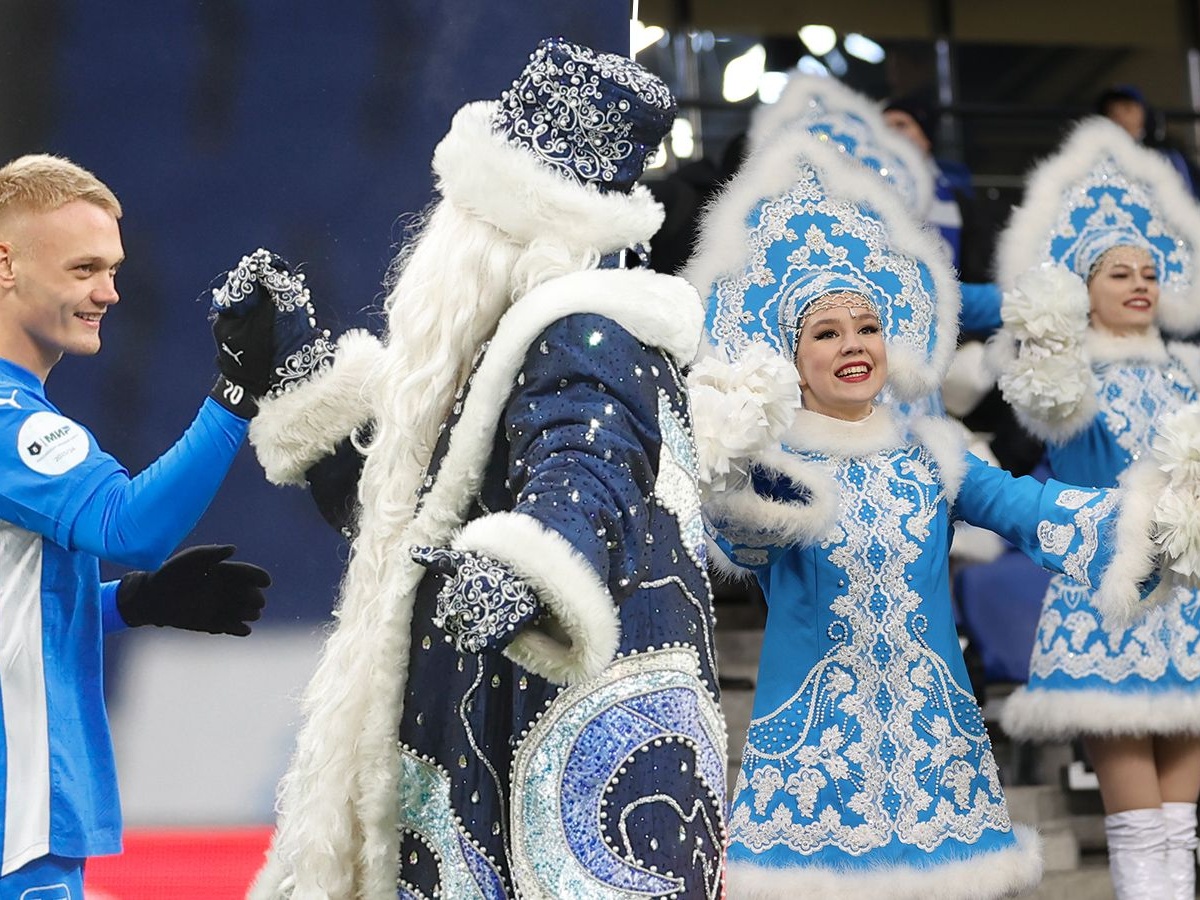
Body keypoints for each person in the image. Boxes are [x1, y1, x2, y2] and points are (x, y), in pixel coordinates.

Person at [243, 38, 726, 900]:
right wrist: (297, 380)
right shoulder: (508, 351)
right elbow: (407, 519)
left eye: (462, 212)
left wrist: (528, 560)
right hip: (494, 718)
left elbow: (588, 464)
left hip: (548, 737)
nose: (441, 232)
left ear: (510, 226)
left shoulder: (587, 331)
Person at [681, 125, 1200, 899]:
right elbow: (740, 532)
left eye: (868, 327)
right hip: (818, 745)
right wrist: (729, 459)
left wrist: (1154, 515)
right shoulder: (779, 469)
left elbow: (1032, 506)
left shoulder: (933, 451)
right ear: (790, 355)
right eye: (827, 332)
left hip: (933, 739)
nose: (854, 345)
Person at [0, 155, 332, 894]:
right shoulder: (7, 420)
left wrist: (131, 603)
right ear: (6, 264)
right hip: (18, 825)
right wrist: (235, 392)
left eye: (114, 269)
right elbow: (128, 526)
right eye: (85, 267)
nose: (109, 292)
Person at [992, 115, 1200, 899]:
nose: (1141, 283)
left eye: (1148, 270)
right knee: (1139, 827)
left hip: (1191, 594)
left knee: (1180, 829)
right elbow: (1045, 412)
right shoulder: (1066, 373)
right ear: (1081, 287)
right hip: (1108, 591)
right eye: (1119, 272)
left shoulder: (1189, 368)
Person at [1097, 83, 1200, 199]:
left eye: (1127, 108)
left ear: (1142, 111)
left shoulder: (1170, 156)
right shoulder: (1097, 159)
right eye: (1112, 112)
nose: (1120, 117)